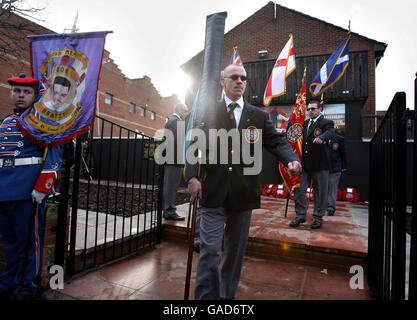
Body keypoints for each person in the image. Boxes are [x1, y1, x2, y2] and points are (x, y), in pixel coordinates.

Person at [186, 64, 301, 300]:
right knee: (209, 252)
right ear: (223, 81)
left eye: (243, 78)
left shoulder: (258, 116)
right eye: (235, 77)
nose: (240, 81)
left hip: (243, 194)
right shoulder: (208, 113)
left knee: (235, 253)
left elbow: (277, 142)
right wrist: (193, 176)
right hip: (213, 191)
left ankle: (226, 299)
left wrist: (291, 158)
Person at [0, 74, 63, 300]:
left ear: (34, 96)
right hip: (3, 190)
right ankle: (8, 283)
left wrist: (42, 187)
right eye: (17, 91)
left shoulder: (41, 122)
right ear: (11, 94)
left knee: (29, 243)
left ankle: (26, 287)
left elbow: (55, 155)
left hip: (27, 191)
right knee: (9, 242)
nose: (21, 95)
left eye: (26, 92)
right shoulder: (5, 122)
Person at [290, 99, 334, 229]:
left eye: (313, 109)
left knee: (320, 193)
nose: (310, 111)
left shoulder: (326, 122)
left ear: (320, 109)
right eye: (308, 109)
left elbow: (330, 132)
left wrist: (322, 137)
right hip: (304, 165)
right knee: (299, 189)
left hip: (320, 165)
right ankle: (300, 215)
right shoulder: (303, 124)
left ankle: (318, 218)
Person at [162, 103, 189, 221]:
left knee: (171, 187)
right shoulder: (175, 121)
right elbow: (177, 142)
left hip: (173, 160)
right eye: (185, 111)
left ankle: (168, 210)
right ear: (179, 110)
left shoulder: (172, 121)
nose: (186, 113)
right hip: (174, 161)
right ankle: (169, 211)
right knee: (171, 187)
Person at [326, 128, 347, 216]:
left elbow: (343, 153)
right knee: (324, 188)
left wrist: (343, 166)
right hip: (324, 168)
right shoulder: (322, 138)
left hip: (335, 168)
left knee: (332, 189)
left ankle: (331, 208)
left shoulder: (339, 139)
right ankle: (323, 206)